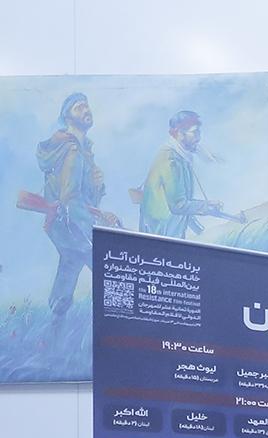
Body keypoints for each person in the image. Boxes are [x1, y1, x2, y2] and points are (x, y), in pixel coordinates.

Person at [34, 93, 118, 321]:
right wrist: (96, 225)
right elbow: (70, 199)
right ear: (67, 117)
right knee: (104, 266)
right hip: (70, 222)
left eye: (86, 106)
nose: (86, 110)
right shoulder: (72, 150)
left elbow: (83, 195)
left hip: (67, 223)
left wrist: (97, 185)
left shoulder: (83, 149)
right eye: (79, 107)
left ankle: (55, 315)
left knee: (70, 263)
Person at [138, 111, 238, 239]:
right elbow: (178, 205)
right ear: (180, 133)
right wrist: (206, 206)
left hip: (169, 235)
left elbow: (183, 205)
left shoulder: (181, 157)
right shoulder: (171, 160)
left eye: (199, 132)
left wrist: (200, 229)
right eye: (194, 132)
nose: (198, 138)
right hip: (160, 237)